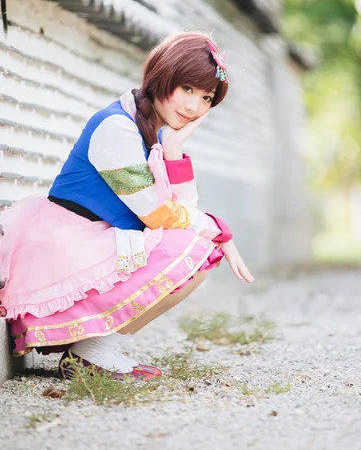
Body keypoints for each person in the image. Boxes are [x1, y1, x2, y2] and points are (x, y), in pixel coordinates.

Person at [0, 32, 254, 381]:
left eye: (207, 97)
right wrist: (218, 229)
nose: (194, 106)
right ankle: (91, 353)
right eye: (187, 89)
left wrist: (176, 147)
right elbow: (160, 216)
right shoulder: (118, 128)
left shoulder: (154, 131)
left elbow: (179, 212)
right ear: (162, 76)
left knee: (198, 250)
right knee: (198, 247)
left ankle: (96, 349)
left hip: (90, 243)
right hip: (64, 249)